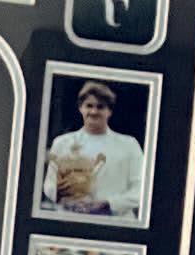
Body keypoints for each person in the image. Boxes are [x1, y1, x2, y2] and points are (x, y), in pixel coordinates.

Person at [42, 80, 144, 218]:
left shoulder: (129, 145)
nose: (94, 111)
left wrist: (108, 204)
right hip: (72, 219)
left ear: (109, 111)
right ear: (81, 108)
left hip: (115, 222)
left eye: (100, 107)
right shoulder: (62, 143)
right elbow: (49, 184)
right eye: (89, 106)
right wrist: (62, 196)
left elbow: (141, 189)